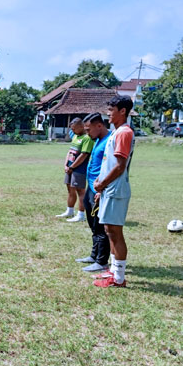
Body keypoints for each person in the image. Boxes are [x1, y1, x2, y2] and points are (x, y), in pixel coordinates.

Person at [93, 96, 135, 288]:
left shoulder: (124, 133)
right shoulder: (116, 132)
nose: (108, 113)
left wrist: (102, 184)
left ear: (123, 111)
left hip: (115, 189)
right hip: (109, 188)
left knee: (115, 232)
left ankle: (119, 278)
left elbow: (119, 166)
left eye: (112, 109)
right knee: (110, 231)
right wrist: (101, 186)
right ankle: (113, 270)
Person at [75, 113, 111, 272]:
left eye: (89, 129)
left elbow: (111, 166)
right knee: (92, 223)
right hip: (91, 186)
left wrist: (101, 189)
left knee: (100, 225)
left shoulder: (110, 141)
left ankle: (102, 261)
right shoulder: (97, 140)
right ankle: (94, 255)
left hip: (100, 189)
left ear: (99, 126)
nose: (87, 133)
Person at [55, 118, 93, 222]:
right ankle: (69, 210)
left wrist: (72, 167)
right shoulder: (75, 136)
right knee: (70, 189)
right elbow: (70, 151)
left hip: (79, 168)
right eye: (71, 129)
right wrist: (66, 165)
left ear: (81, 126)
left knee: (80, 191)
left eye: (74, 128)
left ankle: (81, 214)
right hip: (70, 168)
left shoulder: (87, 138)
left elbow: (84, 155)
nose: (73, 131)